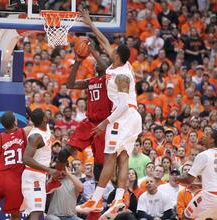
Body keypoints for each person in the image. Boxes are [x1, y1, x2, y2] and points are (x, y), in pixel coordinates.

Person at [76, 9, 142, 218]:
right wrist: (90, 23)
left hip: (123, 116)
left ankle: (95, 199)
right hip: (132, 117)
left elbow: (122, 106)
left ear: (117, 56)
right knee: (122, 158)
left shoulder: (121, 76)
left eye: (113, 51)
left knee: (109, 157)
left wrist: (105, 122)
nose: (109, 51)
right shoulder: (122, 65)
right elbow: (104, 41)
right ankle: (118, 200)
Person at [49, 40, 112, 191]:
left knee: (99, 164)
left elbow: (105, 67)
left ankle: (97, 196)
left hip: (103, 125)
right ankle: (55, 179)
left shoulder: (110, 79)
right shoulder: (91, 81)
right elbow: (70, 85)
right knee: (64, 153)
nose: (98, 63)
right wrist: (77, 62)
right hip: (89, 123)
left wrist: (92, 50)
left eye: (102, 61)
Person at [20, 108, 61, 220]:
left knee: (36, 211)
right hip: (32, 176)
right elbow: (26, 159)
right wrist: (49, 170)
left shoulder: (46, 127)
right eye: (45, 114)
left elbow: (34, 114)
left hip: (40, 175)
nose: (47, 114)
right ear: (44, 118)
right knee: (37, 210)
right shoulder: (35, 136)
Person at [174, 129, 217, 219]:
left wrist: (176, 178)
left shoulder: (204, 155)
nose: (203, 137)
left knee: (185, 216)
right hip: (212, 193)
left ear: (212, 140)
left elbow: (188, 180)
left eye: (207, 135)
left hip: (210, 196)